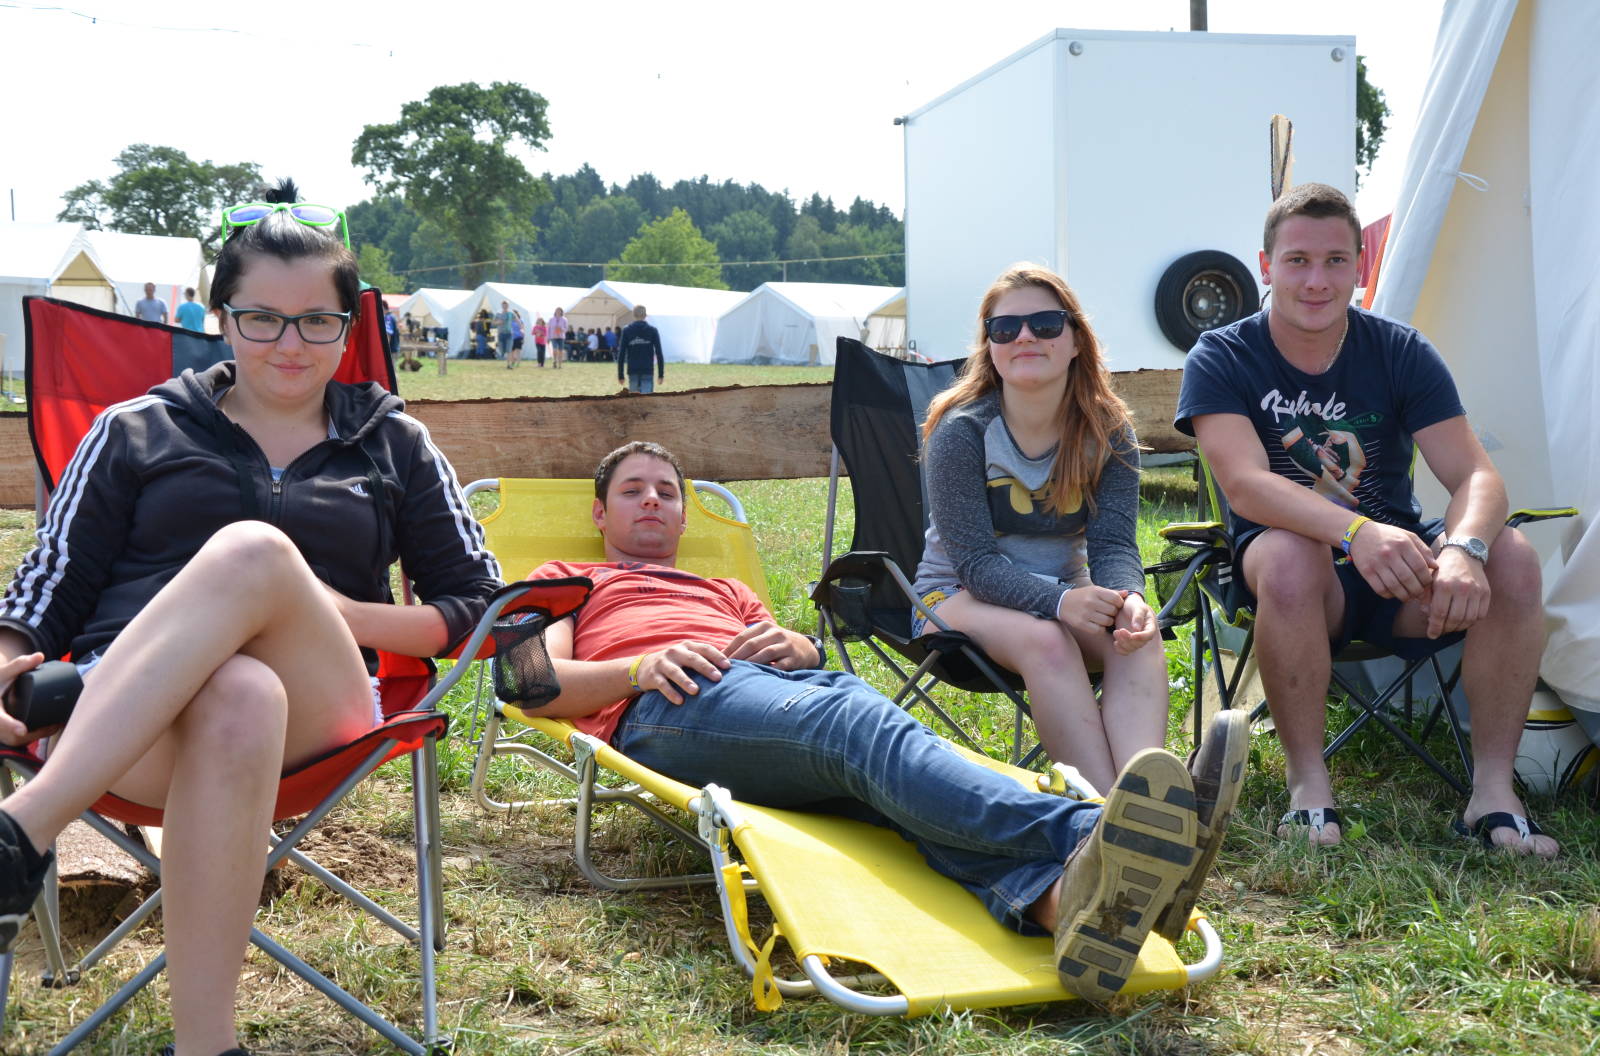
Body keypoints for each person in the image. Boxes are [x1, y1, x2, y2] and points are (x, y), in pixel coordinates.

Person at [0, 179, 501, 1056]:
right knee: (236, 691)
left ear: (349, 328)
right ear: (221, 318)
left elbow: (479, 606)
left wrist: (338, 610)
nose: (290, 343)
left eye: (317, 321)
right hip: (131, 720)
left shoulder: (394, 443)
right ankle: (208, 1049)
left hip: (322, 716)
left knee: (254, 553)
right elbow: (50, 587)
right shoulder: (136, 430)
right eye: (262, 318)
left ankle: (22, 834)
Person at [523, 440, 1248, 1002]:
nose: (652, 500)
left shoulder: (727, 588)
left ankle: (1071, 908)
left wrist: (799, 646)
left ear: (685, 515)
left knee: (896, 796)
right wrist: (638, 668)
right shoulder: (560, 580)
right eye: (633, 491)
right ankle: (1104, 832)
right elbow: (531, 685)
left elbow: (796, 658)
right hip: (666, 708)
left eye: (666, 491)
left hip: (768, 698)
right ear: (600, 515)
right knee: (855, 723)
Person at [1174, 182, 1557, 857]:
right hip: (1293, 579)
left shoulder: (1399, 350)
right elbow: (1246, 485)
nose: (1316, 281)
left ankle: (1494, 793)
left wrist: (1464, 549)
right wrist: (1355, 532)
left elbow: (1476, 476)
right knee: (1291, 554)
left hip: (1399, 574)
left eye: (1335, 261)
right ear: (1266, 266)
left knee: (1514, 557)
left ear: (1361, 266)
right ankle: (1307, 786)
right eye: (1297, 261)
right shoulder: (1223, 355)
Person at [912, 264, 1166, 796]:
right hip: (952, 598)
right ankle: (1104, 813)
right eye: (1005, 328)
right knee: (1046, 638)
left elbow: (1113, 544)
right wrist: (1059, 602)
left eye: (1045, 324)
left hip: (1064, 592)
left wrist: (1130, 595)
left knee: (1135, 636)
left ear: (1075, 339)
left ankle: (1146, 796)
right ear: (990, 346)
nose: (1024, 337)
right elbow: (975, 564)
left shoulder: (1107, 430)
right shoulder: (963, 430)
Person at [617, 305, 665, 394]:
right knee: (647, 399)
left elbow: (621, 354)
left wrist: (620, 375)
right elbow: (659, 353)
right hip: (647, 369)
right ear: (645, 315)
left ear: (633, 314)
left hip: (633, 370)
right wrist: (661, 374)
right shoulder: (652, 330)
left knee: (634, 400)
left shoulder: (627, 330)